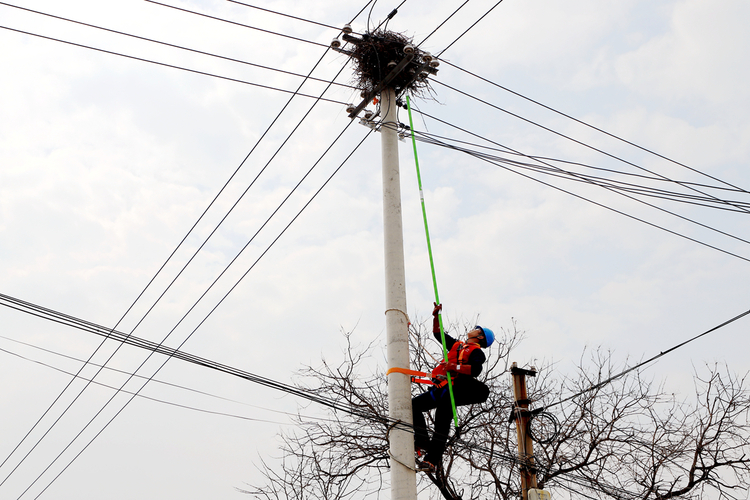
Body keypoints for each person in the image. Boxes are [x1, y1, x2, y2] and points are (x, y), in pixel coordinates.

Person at [412, 303, 494, 473]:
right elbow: (438, 334)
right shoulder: (457, 346)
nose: (472, 329)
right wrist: (436, 316)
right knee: (413, 405)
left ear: (480, 337)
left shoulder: (476, 352)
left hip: (455, 390)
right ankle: (422, 442)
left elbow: (475, 370)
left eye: (475, 329)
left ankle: (431, 460)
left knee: (441, 422)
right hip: (440, 390)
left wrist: (454, 368)